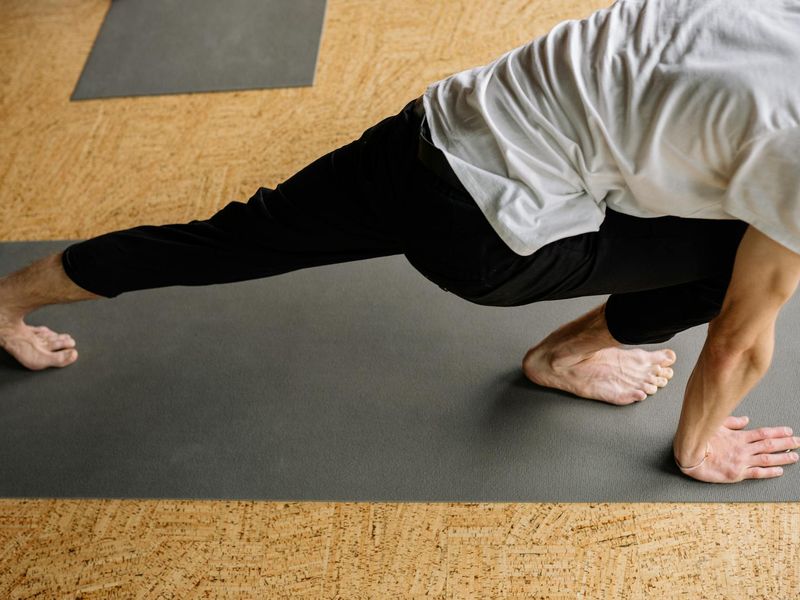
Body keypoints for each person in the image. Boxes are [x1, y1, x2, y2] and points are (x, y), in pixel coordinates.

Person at [2, 0, 800, 485]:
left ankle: (7, 298)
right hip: (489, 239)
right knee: (741, 262)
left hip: (433, 128)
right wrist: (697, 449)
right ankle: (562, 358)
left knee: (231, 239)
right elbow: (739, 339)